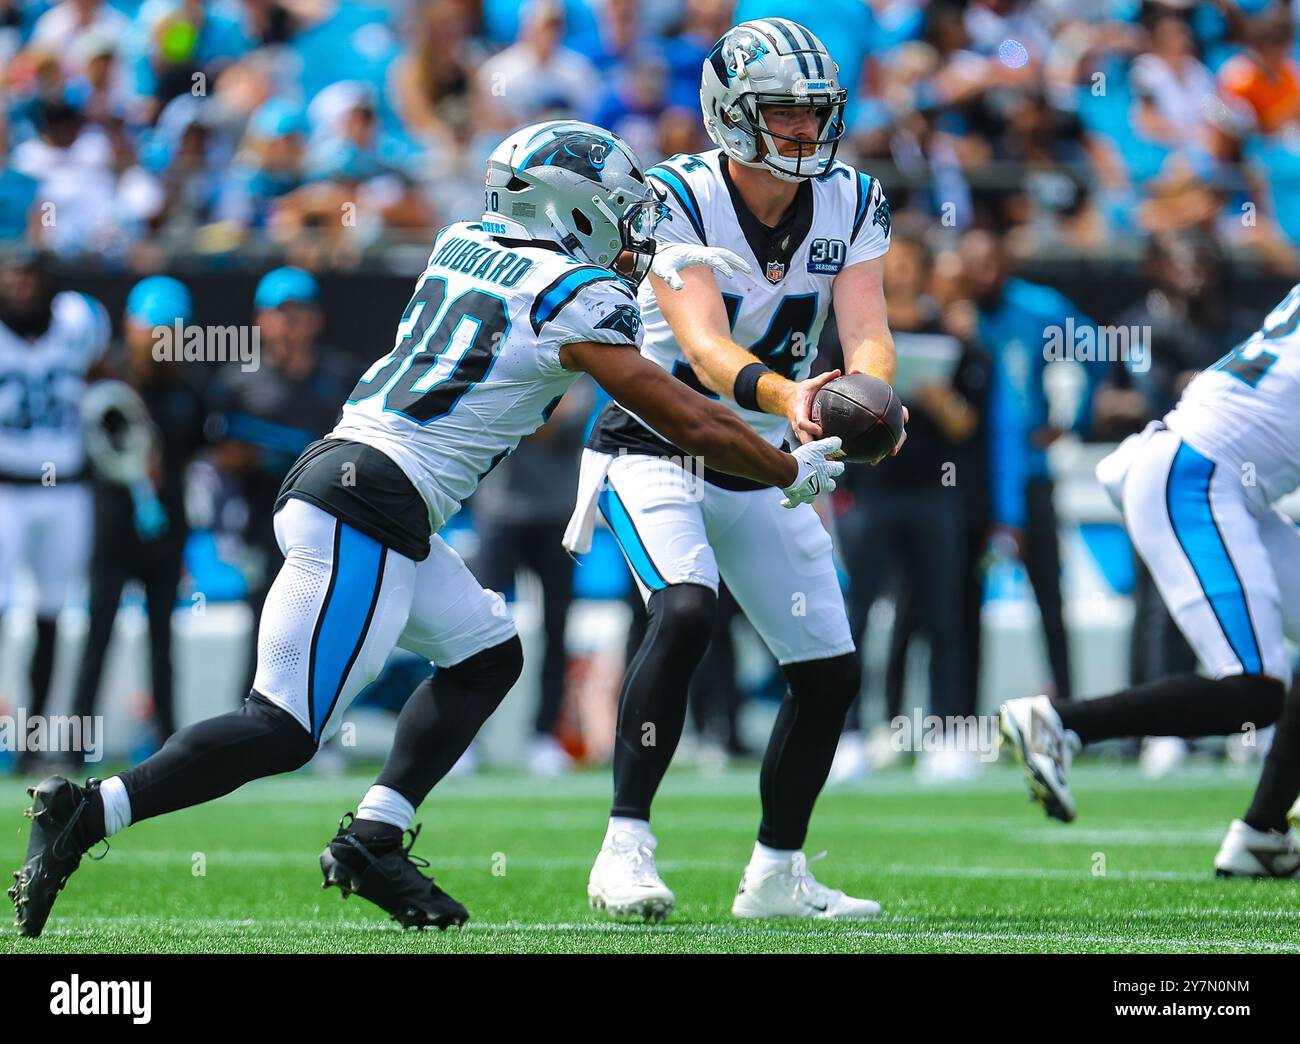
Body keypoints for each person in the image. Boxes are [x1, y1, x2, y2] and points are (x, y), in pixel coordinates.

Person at [9, 119, 845, 938]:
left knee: (487, 653)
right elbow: (686, 416)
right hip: (369, 505)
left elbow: (537, 290)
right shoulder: (577, 297)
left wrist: (653, 265)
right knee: (282, 727)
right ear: (571, 211)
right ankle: (87, 813)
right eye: (618, 211)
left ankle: (374, 837)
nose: (633, 229)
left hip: (361, 486)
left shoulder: (463, 240)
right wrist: (785, 468)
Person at [567, 19, 904, 923]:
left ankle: (777, 875)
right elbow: (706, 347)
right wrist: (794, 397)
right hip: (658, 440)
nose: (803, 131)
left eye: (814, 113)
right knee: (684, 608)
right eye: (783, 113)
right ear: (731, 113)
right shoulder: (674, 195)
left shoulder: (853, 197)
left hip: (762, 459)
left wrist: (866, 402)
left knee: (829, 672)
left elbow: (867, 329)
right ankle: (623, 850)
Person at [1000, 283, 1300, 880]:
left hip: (1212, 474)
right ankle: (1060, 722)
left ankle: (1263, 834)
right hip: (1195, 477)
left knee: (1260, 686)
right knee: (1256, 690)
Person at [72, 277, 208, 752]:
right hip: (112, 533)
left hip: (168, 533)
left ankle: (170, 741)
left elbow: (193, 458)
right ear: (131, 327)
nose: (160, 341)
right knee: (98, 637)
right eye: (153, 329)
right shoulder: (103, 385)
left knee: (162, 644)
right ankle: (72, 745)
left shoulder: (189, 392)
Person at [207, 266, 350, 696]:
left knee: (326, 619)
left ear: (318, 318)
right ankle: (251, 715)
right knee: (266, 618)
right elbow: (215, 455)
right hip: (262, 520)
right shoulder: (236, 380)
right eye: (282, 312)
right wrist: (248, 456)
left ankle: (319, 720)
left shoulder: (342, 375)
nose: (292, 323)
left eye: (301, 312)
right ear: (260, 319)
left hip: (330, 518)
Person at [0, 251, 109, 774]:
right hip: (5, 489)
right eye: (11, 280)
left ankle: (32, 737)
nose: (19, 289)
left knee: (51, 612)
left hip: (66, 488)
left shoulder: (78, 321)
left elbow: (104, 369)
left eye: (28, 279)